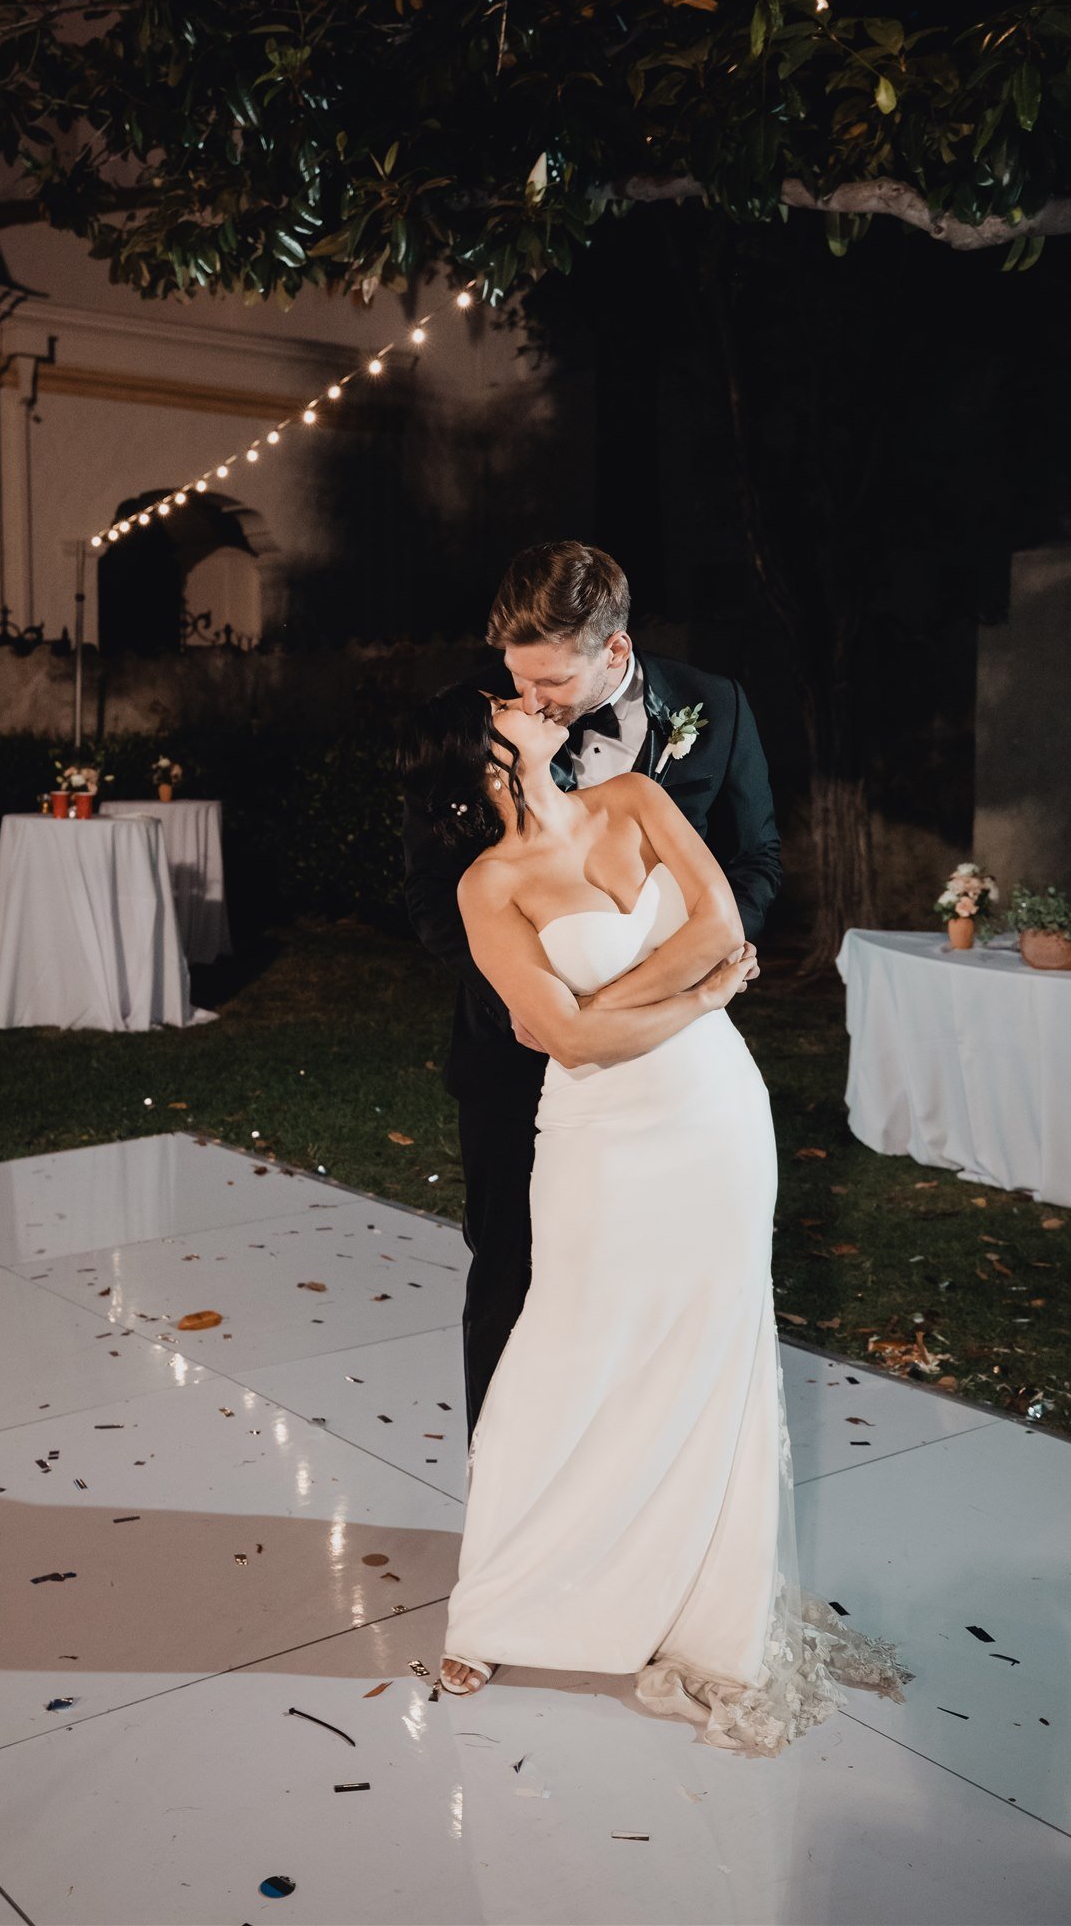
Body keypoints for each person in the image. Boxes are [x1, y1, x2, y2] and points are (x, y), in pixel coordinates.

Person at [396, 685, 912, 1750]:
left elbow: (723, 919)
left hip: (716, 1117)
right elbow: (569, 1043)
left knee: (710, 1347)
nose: (535, 700)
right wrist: (700, 996)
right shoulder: (488, 884)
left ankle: (694, 1603)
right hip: (603, 1140)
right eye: (512, 707)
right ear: (492, 761)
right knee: (569, 1351)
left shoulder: (637, 796)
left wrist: (607, 1005)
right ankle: (503, 1600)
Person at [402, 541, 782, 1442]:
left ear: (613, 652)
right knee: (513, 1273)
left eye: (551, 683)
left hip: (675, 1064)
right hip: (515, 1053)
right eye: (515, 678)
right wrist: (534, 1006)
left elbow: (753, 858)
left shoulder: (713, 707)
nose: (530, 700)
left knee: (669, 1280)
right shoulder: (473, 730)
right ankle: (503, 1497)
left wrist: (682, 983)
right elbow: (431, 898)